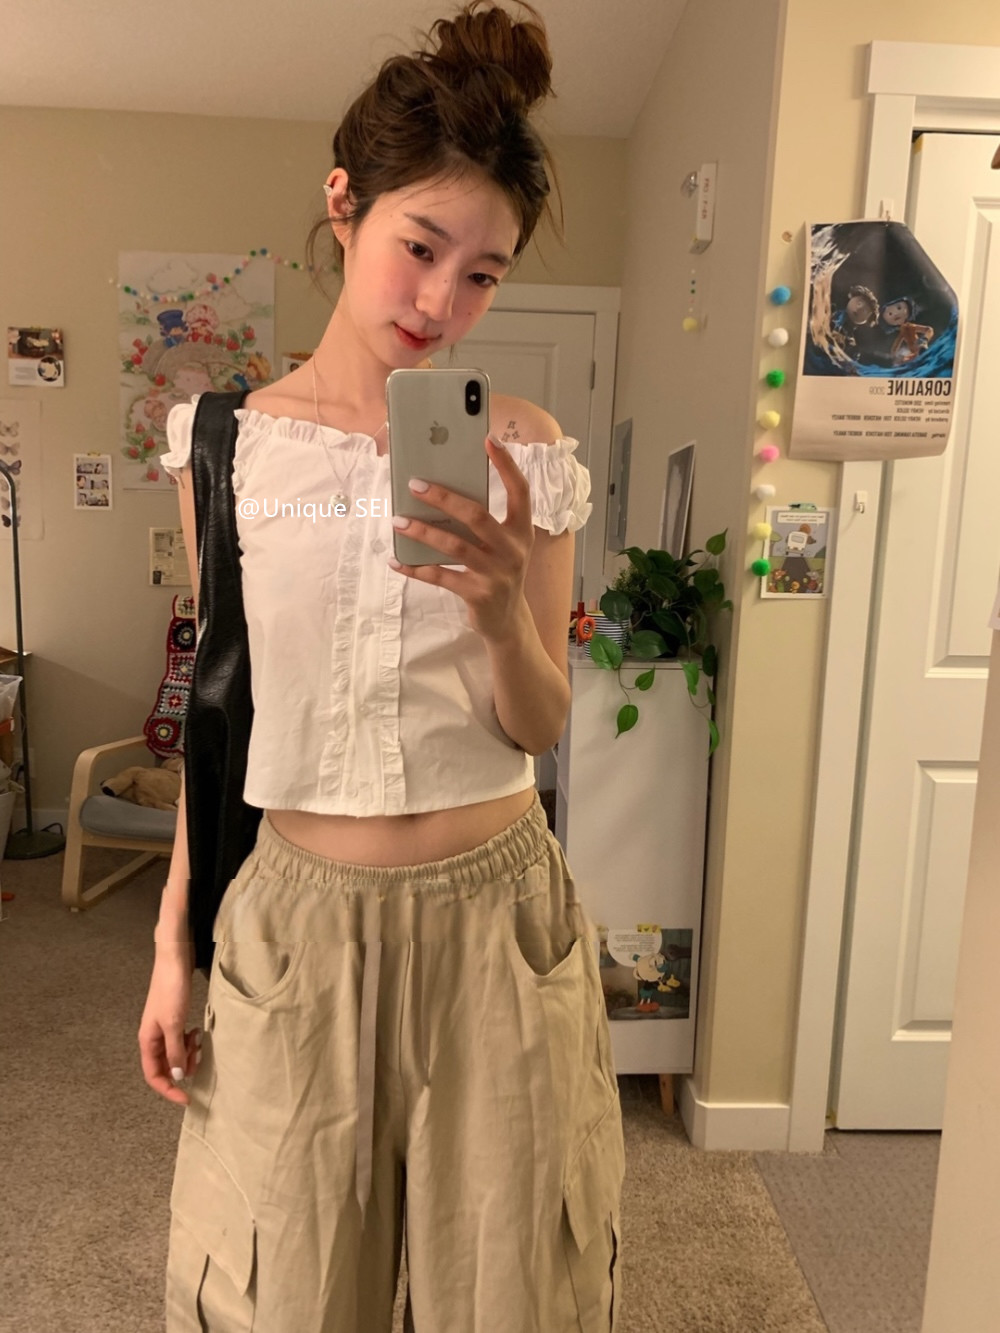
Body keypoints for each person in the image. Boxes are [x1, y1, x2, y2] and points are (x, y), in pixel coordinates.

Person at [138, 3, 626, 1329]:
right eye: (421, 246)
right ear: (343, 204)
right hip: (296, 924)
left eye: (484, 274)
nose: (440, 303)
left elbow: (540, 721)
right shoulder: (226, 446)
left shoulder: (526, 450)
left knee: (515, 1294)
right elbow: (222, 716)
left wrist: (498, 613)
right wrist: (177, 944)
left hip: (499, 924)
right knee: (281, 1293)